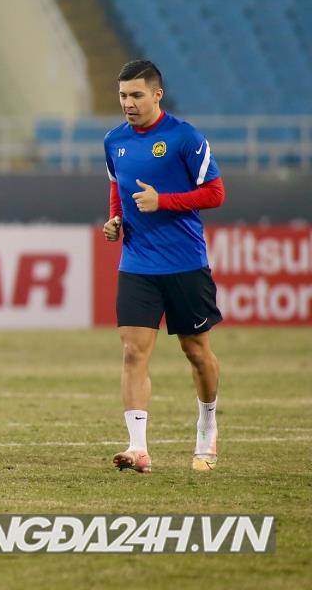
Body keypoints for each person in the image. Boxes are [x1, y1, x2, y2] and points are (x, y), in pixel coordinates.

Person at [102, 60, 225, 473]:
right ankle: (137, 448)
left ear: (157, 94)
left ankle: (207, 424)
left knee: (196, 351)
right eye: (122, 96)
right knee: (133, 351)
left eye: (136, 95)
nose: (128, 104)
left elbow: (215, 193)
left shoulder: (184, 137)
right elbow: (118, 186)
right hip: (137, 262)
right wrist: (116, 219)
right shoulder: (113, 141)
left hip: (185, 262)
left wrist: (165, 201)